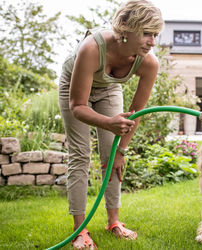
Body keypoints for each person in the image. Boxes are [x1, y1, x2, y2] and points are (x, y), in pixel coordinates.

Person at [58, 0, 164, 248]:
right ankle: (79, 231)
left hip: (108, 90)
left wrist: (121, 149)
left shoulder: (148, 63)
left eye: (155, 34)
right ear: (126, 27)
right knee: (80, 155)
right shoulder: (92, 48)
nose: (152, 41)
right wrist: (109, 122)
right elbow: (78, 106)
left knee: (113, 155)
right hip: (73, 90)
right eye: (147, 33)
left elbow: (135, 113)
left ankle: (114, 222)